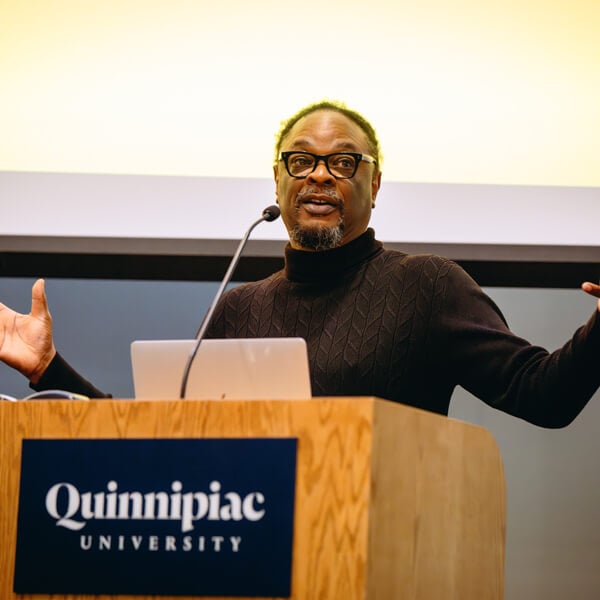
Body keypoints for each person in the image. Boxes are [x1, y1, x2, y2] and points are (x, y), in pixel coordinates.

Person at [1, 100, 599, 426]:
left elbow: (541, 395)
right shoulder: (241, 307)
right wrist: (52, 371)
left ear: (375, 184)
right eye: (300, 160)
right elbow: (164, 438)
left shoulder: (426, 285)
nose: (318, 174)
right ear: (279, 180)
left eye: (343, 163)